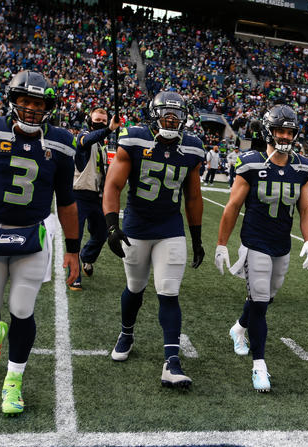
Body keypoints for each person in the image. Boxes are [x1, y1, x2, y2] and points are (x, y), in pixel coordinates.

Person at [0, 70, 80, 415]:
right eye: (26, 101)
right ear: (13, 101)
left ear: (49, 107)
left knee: (23, 309)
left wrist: (73, 250)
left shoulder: (61, 142)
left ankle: (14, 381)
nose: (32, 109)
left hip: (32, 236)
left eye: (39, 103)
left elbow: (66, 201)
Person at [103, 91, 205, 388]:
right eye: (165, 114)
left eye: (176, 115)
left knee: (169, 291)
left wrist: (196, 237)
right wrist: (112, 226)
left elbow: (194, 196)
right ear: (153, 115)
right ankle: (126, 332)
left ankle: (172, 362)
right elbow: (113, 184)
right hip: (136, 225)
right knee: (135, 287)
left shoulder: (193, 148)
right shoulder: (134, 138)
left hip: (170, 228)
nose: (171, 119)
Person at [214, 104, 308, 392]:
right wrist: (222, 244)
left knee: (265, 299)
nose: (285, 136)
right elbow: (233, 206)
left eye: (289, 131)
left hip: (281, 245)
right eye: (280, 130)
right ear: (268, 131)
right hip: (255, 242)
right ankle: (260, 366)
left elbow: (306, 208)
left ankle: (239, 327)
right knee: (259, 302)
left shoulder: (301, 166)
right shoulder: (252, 163)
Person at [68, 107, 121, 291]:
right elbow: (87, 140)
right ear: (90, 121)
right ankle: (73, 275)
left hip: (97, 197)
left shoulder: (102, 146)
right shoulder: (83, 136)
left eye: (103, 120)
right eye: (96, 119)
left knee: (101, 234)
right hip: (79, 195)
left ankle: (87, 257)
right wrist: (108, 130)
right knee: (75, 235)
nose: (99, 122)